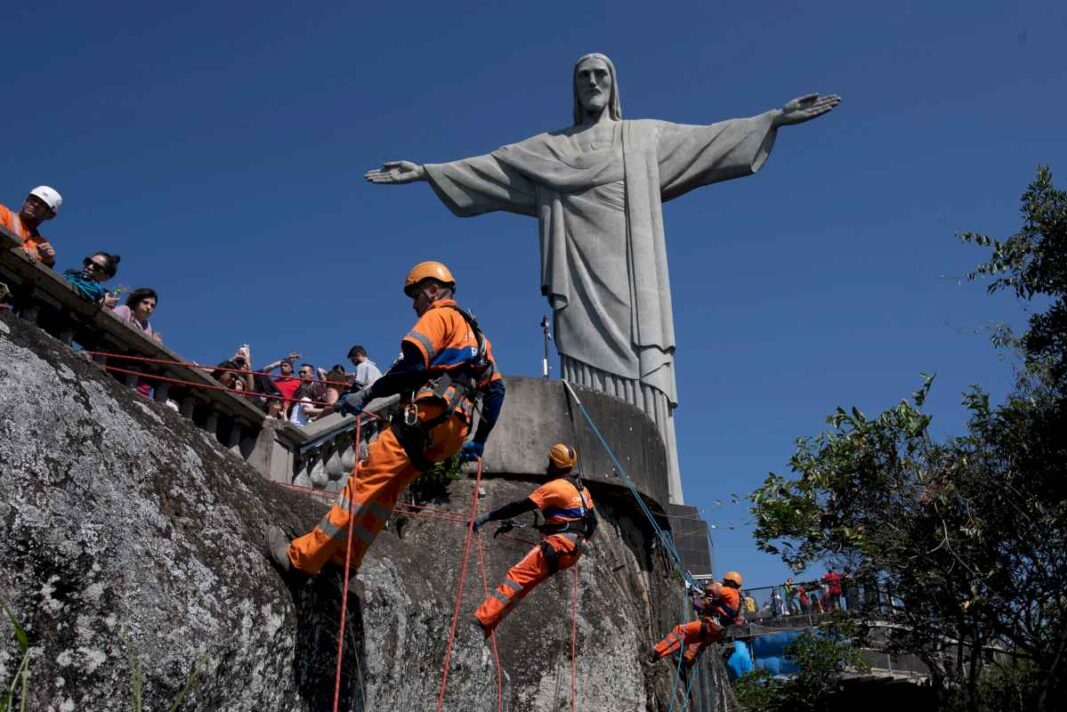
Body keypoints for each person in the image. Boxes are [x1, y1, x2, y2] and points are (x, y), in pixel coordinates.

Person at [365, 53, 840, 502]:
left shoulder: (642, 139)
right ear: (574, 88)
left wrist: (773, 118)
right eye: (583, 76)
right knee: (585, 366)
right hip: (578, 279)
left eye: (601, 75)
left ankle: (664, 492)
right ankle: (589, 466)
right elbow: (490, 167)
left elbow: (710, 139)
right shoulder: (549, 150)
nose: (593, 82)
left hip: (634, 275)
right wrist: (427, 172)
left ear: (613, 86)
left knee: (644, 362)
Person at [265, 261, 507, 576]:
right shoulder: (479, 337)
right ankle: (346, 561)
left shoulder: (439, 316)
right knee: (387, 492)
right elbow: (497, 390)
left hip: (427, 415)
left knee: (363, 484)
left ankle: (302, 557)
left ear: (433, 290)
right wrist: (481, 439)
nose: (414, 305)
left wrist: (368, 395)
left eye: (416, 296)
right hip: (453, 430)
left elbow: (413, 367)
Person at [471, 443, 596, 634]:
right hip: (571, 552)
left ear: (554, 464)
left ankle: (480, 622)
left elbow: (519, 507)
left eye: (550, 463)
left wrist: (487, 517)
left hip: (557, 546)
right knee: (522, 587)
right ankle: (489, 627)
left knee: (516, 577)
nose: (547, 467)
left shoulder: (554, 487)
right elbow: (592, 522)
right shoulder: (582, 490)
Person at [649, 571, 745, 667]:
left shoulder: (730, 591)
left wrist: (708, 591)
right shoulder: (739, 600)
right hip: (717, 632)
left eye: (726, 581)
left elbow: (713, 589)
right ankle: (667, 658)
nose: (724, 582)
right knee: (685, 640)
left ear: (732, 583)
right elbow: (732, 618)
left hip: (709, 625)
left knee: (680, 630)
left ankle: (657, 650)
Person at [0, 186, 62, 267]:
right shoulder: (3, 212)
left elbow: (37, 275)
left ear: (50, 215)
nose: (35, 204)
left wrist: (48, 262)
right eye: (33, 199)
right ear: (25, 201)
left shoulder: (41, 243)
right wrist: (22, 250)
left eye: (42, 204)